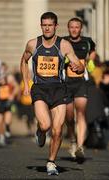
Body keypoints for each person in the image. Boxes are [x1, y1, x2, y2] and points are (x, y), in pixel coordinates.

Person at [20, 12, 84, 175]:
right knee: (46, 125)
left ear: (56, 26)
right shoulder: (33, 44)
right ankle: (40, 131)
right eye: (44, 25)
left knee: (57, 129)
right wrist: (26, 84)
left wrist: (80, 68)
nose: (47, 28)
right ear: (41, 25)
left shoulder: (64, 45)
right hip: (40, 88)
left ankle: (51, 162)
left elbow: (78, 63)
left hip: (59, 89)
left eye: (50, 25)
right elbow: (24, 60)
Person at [63, 17, 96, 162]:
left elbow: (92, 54)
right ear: (68, 28)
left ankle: (80, 146)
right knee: (69, 117)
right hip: (66, 83)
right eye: (72, 27)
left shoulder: (87, 42)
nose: (74, 29)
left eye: (77, 27)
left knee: (81, 113)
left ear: (81, 29)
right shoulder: (63, 42)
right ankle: (72, 141)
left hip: (82, 82)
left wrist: (90, 63)